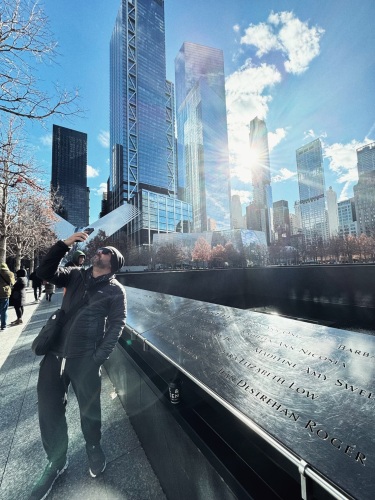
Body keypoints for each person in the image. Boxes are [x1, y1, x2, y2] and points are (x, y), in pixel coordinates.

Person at [30, 231, 126, 500]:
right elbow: (44, 271)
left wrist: (98, 358)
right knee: (49, 410)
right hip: (55, 355)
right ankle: (56, 461)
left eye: (106, 251)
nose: (100, 251)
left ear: (113, 262)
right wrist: (66, 243)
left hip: (85, 359)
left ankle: (93, 446)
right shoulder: (75, 275)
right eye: (100, 249)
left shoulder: (115, 291)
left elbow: (118, 324)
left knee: (89, 409)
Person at [0, 263, 15, 331]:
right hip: (5, 293)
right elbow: (13, 283)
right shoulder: (10, 273)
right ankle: (3, 326)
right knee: (4, 310)